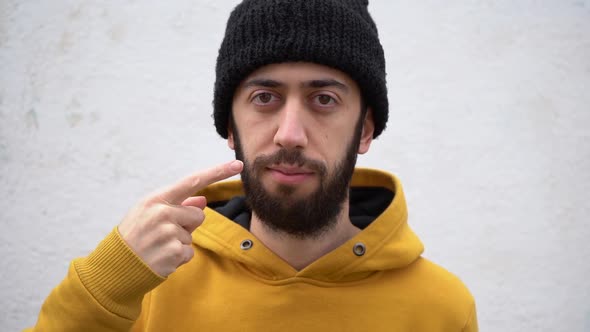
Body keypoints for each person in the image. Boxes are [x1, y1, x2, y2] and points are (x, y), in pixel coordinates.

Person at [27, 0, 478, 331]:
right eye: (265, 98)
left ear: (364, 130)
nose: (289, 134)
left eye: (324, 99)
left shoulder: (440, 308)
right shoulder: (146, 282)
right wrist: (105, 283)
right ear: (230, 126)